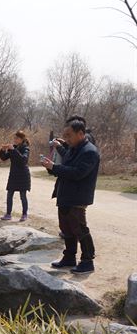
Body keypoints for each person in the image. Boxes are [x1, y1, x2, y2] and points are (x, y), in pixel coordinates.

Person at [41, 116, 100, 275]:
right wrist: (51, 167)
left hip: (77, 198)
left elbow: (77, 173)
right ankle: (69, 258)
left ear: (80, 133)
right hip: (65, 195)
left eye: (69, 135)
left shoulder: (89, 152)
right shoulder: (73, 149)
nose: (66, 139)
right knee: (66, 228)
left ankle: (87, 261)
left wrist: (55, 167)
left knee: (79, 229)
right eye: (65, 135)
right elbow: (64, 168)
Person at [0, 130, 31, 221]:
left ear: (22, 139)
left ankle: (24, 214)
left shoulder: (26, 148)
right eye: (14, 138)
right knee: (9, 195)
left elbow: (23, 160)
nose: (15, 140)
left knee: (23, 196)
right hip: (13, 174)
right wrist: (3, 150)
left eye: (17, 138)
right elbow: (4, 158)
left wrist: (13, 150)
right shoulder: (14, 147)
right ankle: (8, 214)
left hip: (23, 175)